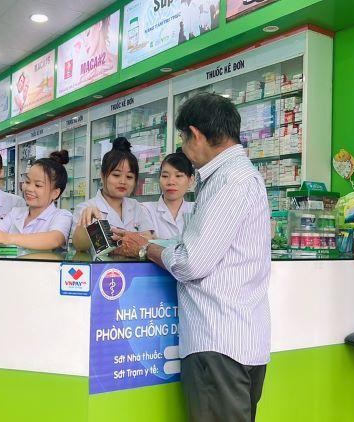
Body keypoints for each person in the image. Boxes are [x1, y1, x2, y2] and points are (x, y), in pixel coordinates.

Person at [113, 93, 271, 422]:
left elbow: (191, 262)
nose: (184, 150)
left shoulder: (228, 181)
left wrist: (145, 249)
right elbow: (206, 245)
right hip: (238, 339)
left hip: (217, 342)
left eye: (184, 139)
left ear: (196, 134)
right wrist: (156, 243)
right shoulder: (239, 176)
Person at [71, 137, 154, 252]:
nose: (123, 181)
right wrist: (86, 224)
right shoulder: (85, 208)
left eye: (129, 177)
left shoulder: (136, 206)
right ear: (102, 175)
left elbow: (149, 239)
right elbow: (80, 246)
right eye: (116, 175)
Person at [0, 150, 73, 250]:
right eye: (27, 181)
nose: (29, 188)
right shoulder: (15, 213)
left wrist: (9, 238)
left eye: (38, 185)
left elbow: (54, 240)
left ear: (55, 193)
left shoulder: (62, 216)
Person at [142, 150, 195, 240]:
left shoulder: (196, 210)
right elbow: (143, 243)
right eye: (165, 176)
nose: (170, 182)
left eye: (178, 176)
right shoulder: (146, 210)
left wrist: (157, 242)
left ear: (191, 180)